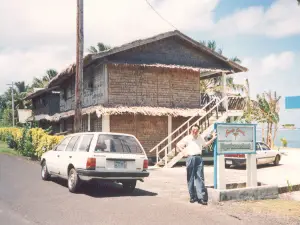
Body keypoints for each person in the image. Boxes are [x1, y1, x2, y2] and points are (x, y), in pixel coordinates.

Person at [176, 124, 217, 205]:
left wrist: (213, 138)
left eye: (196, 130)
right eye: (193, 130)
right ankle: (192, 196)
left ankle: (201, 198)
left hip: (199, 158)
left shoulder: (200, 137)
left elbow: (205, 145)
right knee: (190, 178)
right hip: (190, 158)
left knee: (200, 178)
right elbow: (178, 144)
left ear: (198, 131)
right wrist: (183, 151)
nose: (194, 131)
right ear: (191, 130)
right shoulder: (188, 138)